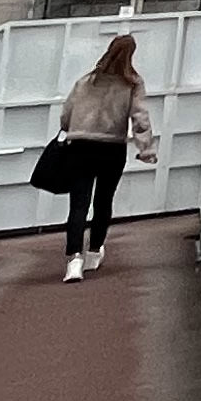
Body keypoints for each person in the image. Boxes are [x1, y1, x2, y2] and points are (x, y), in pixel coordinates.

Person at [54, 35, 157, 281]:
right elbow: (140, 117)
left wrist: (74, 128)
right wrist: (146, 149)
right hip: (111, 147)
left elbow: (66, 115)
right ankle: (93, 252)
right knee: (103, 201)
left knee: (78, 204)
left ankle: (74, 260)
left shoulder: (86, 81)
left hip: (80, 145)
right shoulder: (132, 83)